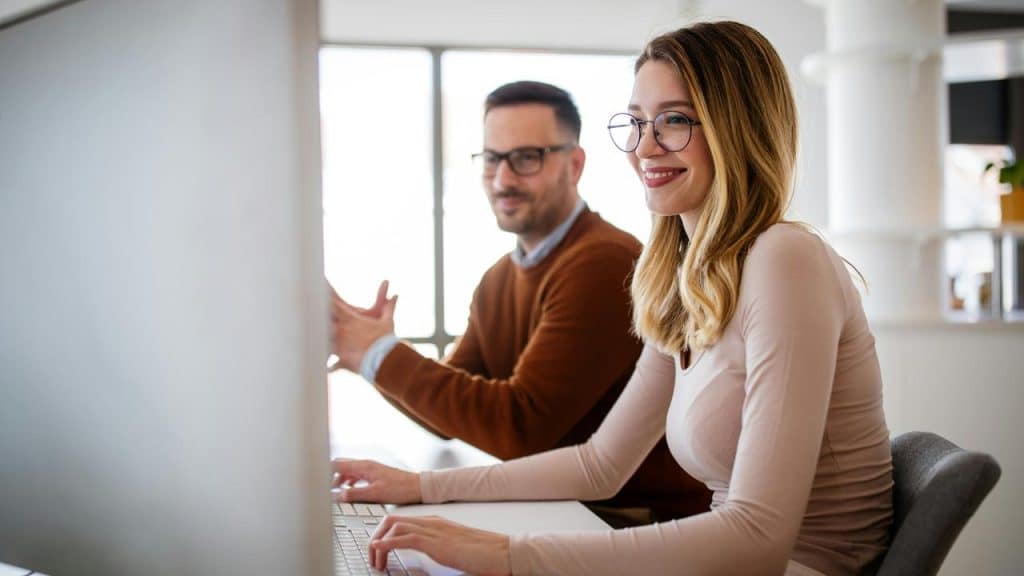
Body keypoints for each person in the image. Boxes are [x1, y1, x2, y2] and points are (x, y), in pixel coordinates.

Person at [332, 21, 894, 576]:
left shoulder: (785, 258)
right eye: (637, 122)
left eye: (674, 121)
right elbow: (601, 464)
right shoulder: (681, 273)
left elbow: (757, 537)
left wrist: (508, 555)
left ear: (737, 126)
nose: (644, 148)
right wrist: (421, 487)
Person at [329, 80, 711, 524]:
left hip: (635, 525)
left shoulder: (604, 263)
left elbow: (519, 427)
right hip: (565, 513)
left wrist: (379, 354)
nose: (502, 179)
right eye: (491, 159)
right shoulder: (499, 278)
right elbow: (447, 417)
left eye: (526, 158)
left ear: (575, 165)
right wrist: (371, 354)